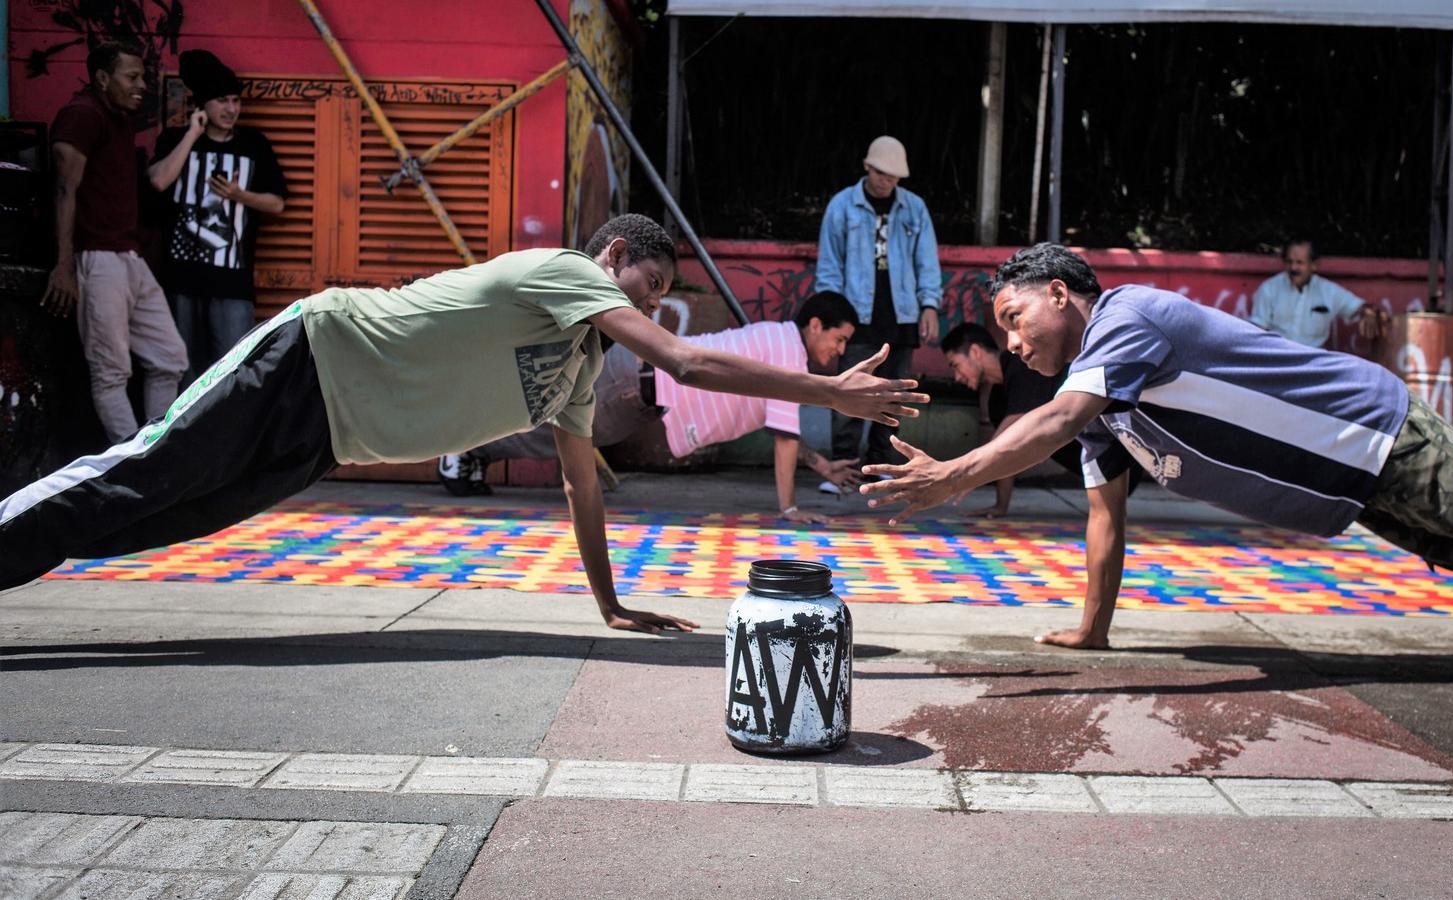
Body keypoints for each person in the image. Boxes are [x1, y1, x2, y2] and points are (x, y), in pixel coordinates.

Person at [0, 215, 928, 634]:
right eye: (645, 290)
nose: (643, 314)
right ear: (614, 260)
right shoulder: (566, 271)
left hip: (321, 442)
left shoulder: (578, 365)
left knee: (161, 521)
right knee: (137, 475)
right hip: (307, 359)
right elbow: (685, 362)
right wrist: (831, 394)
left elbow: (579, 483)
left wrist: (607, 605)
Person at [862, 243, 1453, 649]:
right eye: (1004, 336)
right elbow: (1104, 519)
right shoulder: (1106, 409)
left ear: (1059, 292)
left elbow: (1055, 418)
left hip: (1378, 434)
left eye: (1014, 318)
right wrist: (1092, 631)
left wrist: (953, 475)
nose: (1015, 344)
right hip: (1352, 488)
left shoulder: (1127, 319)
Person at [440, 292, 866, 523]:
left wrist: (822, 466)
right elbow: (785, 437)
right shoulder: (787, 352)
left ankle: (477, 450)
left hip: (640, 391)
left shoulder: (780, 342)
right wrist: (788, 509)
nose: (839, 350)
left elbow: (776, 425)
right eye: (839, 339)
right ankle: (465, 446)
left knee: (561, 433)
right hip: (635, 381)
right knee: (557, 427)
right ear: (815, 325)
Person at [42, 39, 188, 442]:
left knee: (169, 358)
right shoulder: (82, 116)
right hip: (98, 260)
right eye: (132, 77)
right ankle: (133, 464)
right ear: (103, 78)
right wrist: (64, 264)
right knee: (110, 373)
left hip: (129, 257)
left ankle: (155, 452)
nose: (141, 85)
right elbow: (64, 191)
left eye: (143, 76)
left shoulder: (118, 119)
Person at [148, 49, 287, 379]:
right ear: (203, 105)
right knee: (182, 369)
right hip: (180, 279)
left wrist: (240, 196)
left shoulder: (253, 145)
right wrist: (192, 135)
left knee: (233, 370)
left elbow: (277, 203)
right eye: (222, 100)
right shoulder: (175, 139)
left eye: (235, 101)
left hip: (232, 282)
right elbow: (157, 180)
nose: (231, 109)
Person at [815, 135, 942, 487]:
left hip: (902, 316)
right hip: (855, 318)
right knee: (848, 392)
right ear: (867, 167)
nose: (888, 180)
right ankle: (843, 468)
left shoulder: (914, 208)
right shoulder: (842, 206)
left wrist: (929, 305)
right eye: (882, 173)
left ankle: (881, 465)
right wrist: (832, 317)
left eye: (894, 176)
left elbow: (927, 261)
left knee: (895, 394)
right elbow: (829, 266)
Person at [940, 322, 1079, 518]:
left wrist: (965, 473)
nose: (956, 377)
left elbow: (1008, 433)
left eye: (956, 365)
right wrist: (1000, 506)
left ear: (975, 351)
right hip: (1094, 465)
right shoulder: (997, 401)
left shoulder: (1022, 363)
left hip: (1115, 450)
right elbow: (1008, 450)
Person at [1249, 238, 1387, 349]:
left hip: (1313, 363)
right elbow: (1257, 330)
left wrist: (1369, 312)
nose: (1293, 268)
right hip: (1278, 359)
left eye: (1299, 263)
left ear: (1313, 265)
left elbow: (1360, 307)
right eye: (1289, 262)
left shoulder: (1329, 291)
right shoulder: (1269, 288)